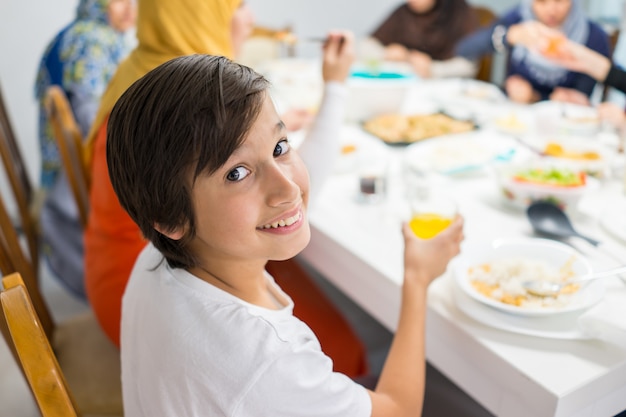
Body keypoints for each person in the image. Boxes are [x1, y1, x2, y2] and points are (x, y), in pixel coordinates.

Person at [107, 53, 464, 417]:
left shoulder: (156, 259)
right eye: (236, 173)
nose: (288, 188)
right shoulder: (268, 359)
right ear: (169, 218)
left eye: (279, 148)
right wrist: (417, 281)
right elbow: (400, 412)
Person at [83, 0, 369, 377]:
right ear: (199, 17)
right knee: (343, 351)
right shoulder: (180, 111)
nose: (249, 20)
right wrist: (334, 87)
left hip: (156, 260)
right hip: (153, 280)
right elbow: (291, 199)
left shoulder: (148, 79)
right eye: (236, 7)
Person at [34, 0, 136, 298]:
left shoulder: (88, 33)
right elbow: (91, 116)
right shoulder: (91, 40)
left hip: (67, 169)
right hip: (76, 177)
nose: (130, 9)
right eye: (119, 1)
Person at [456, 0, 610, 104]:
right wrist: (509, 35)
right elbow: (464, 49)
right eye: (542, 0)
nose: (551, 10)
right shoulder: (520, 18)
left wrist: (535, 97)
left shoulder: (593, 36)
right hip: (514, 115)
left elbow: (582, 95)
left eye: (560, 0)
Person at [369, 0, 479, 78]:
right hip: (408, 84)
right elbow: (366, 44)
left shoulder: (458, 12)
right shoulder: (403, 11)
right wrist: (385, 53)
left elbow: (469, 66)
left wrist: (433, 69)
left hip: (443, 88)